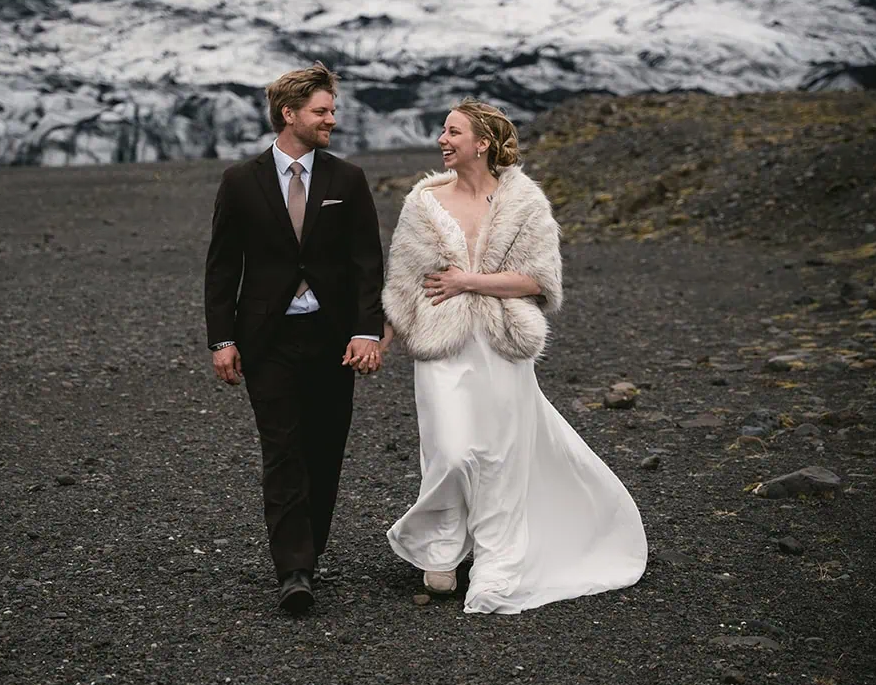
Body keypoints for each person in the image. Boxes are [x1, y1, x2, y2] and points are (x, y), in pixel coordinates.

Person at [382, 100, 647, 613]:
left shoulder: (524, 202)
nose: (442, 139)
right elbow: (402, 282)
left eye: (453, 131)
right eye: (442, 131)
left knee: (499, 455)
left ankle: (496, 561)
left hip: (502, 344)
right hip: (439, 341)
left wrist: (468, 281)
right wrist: (379, 337)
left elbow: (539, 281)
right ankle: (439, 546)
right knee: (451, 451)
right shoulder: (422, 201)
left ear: (481, 143)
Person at [205, 63, 386, 615]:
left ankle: (309, 549)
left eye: (332, 110)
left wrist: (367, 332)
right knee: (282, 450)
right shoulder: (240, 181)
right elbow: (221, 267)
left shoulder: (347, 179)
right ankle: (294, 570)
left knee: (325, 451)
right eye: (321, 111)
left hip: (334, 339)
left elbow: (366, 264)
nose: (332, 119)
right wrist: (222, 341)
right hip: (268, 340)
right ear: (289, 114)